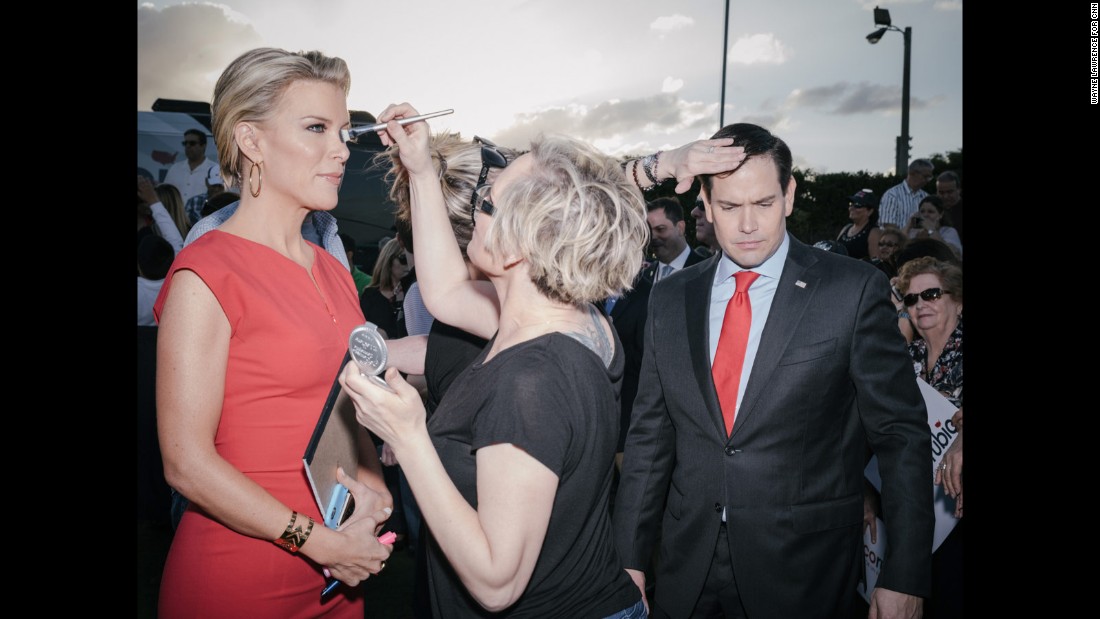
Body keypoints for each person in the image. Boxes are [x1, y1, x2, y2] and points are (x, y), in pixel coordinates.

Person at [341, 103, 655, 618]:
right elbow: (442, 293)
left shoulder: (530, 380)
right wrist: (420, 169)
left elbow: (496, 581)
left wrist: (409, 436)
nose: (474, 211)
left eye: (486, 202)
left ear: (517, 244)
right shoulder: (568, 322)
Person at [613, 122, 933, 619]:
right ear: (705, 201)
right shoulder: (671, 295)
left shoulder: (850, 289)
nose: (746, 225)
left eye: (762, 204)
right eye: (729, 206)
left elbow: (900, 434)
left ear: (788, 195)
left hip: (804, 568)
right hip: (685, 562)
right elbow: (650, 436)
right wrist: (628, 559)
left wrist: (905, 573)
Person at [153, 47, 392, 618]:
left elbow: (346, 403)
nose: (340, 149)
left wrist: (374, 488)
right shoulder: (206, 271)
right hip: (240, 576)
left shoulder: (333, 269)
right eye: (316, 128)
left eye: (343, 131)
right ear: (251, 141)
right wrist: (318, 541)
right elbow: (185, 460)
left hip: (338, 577)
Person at [895, 256, 963, 619]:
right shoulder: (905, 360)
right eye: (911, 299)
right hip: (918, 516)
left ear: (958, 300)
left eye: (932, 294)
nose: (920, 304)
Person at [644, 197, 706, 283]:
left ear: (680, 227)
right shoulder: (643, 277)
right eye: (649, 231)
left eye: (660, 229)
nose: (653, 237)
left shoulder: (707, 270)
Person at [359, 237, 409, 339]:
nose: (408, 264)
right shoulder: (370, 295)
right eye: (403, 259)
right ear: (389, 261)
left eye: (411, 258)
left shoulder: (416, 293)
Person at [164, 128, 220, 205]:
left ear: (203, 146)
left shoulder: (214, 169)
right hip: (176, 215)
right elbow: (165, 194)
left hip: (202, 215)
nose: (188, 146)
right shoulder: (175, 168)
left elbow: (219, 196)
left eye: (192, 143)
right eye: (185, 143)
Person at [879, 159, 933, 229]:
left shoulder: (926, 197)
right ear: (912, 173)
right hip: (896, 239)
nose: (927, 180)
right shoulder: (892, 195)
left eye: (929, 177)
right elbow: (889, 227)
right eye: (925, 176)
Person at [903, 195, 962, 259]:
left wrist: (930, 229)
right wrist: (908, 225)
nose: (925, 215)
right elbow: (899, 245)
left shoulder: (948, 231)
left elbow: (954, 253)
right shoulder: (913, 232)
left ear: (941, 214)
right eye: (922, 211)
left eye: (930, 212)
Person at [836, 188, 882, 260]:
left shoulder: (874, 232)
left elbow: (876, 263)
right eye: (851, 204)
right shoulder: (846, 228)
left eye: (858, 205)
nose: (851, 208)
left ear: (870, 211)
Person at [935, 171, 963, 244]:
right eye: (941, 192)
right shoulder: (932, 207)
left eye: (950, 192)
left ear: (959, 190)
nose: (945, 196)